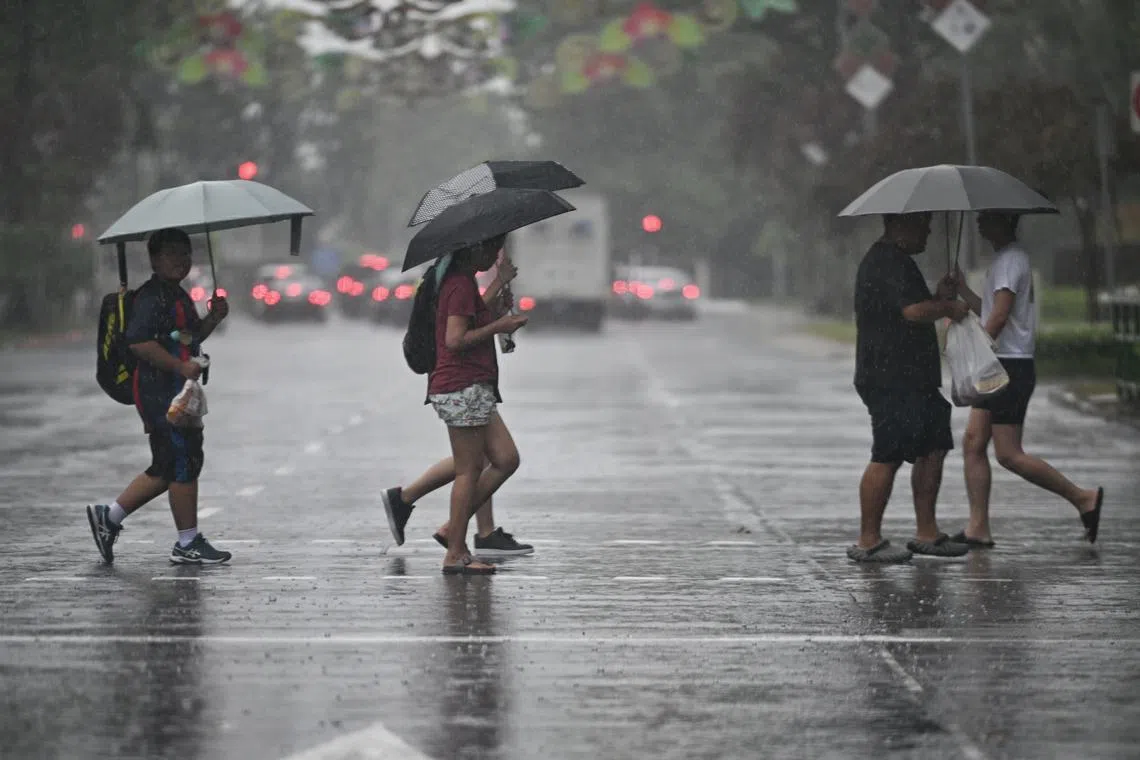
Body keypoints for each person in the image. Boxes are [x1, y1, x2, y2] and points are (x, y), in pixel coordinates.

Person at [952, 211, 1104, 547]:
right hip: (1000, 364)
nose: (979, 221)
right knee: (973, 442)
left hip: (1008, 367)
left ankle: (1083, 498)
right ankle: (978, 527)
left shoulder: (1011, 261)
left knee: (1008, 454)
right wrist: (962, 288)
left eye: (985, 217)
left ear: (1003, 220)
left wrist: (976, 355)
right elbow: (991, 309)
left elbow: (1001, 316)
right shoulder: (1007, 260)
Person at [86, 228, 232, 565]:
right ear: (154, 259)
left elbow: (189, 336)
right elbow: (139, 343)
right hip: (158, 392)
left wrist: (213, 317)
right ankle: (187, 542)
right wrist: (180, 368)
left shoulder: (177, 295)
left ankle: (109, 518)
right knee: (182, 459)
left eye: (185, 253)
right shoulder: (152, 297)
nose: (180, 260)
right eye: (171, 253)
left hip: (177, 392)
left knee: (169, 464)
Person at [381, 250, 533, 558]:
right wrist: (499, 327)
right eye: (492, 243)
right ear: (474, 247)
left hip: (469, 382)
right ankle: (456, 547)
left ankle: (439, 522)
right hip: (462, 383)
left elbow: (469, 315)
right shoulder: (459, 283)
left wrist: (497, 289)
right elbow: (455, 338)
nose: (495, 250)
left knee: (497, 459)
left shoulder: (454, 279)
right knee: (474, 467)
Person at [849, 212, 972, 563]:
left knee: (933, 445)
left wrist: (939, 296)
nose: (928, 235)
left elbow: (913, 305)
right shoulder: (886, 262)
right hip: (890, 377)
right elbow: (913, 311)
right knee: (887, 453)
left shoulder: (899, 262)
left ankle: (927, 533)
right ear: (901, 225)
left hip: (915, 377)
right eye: (924, 228)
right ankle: (868, 540)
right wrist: (948, 306)